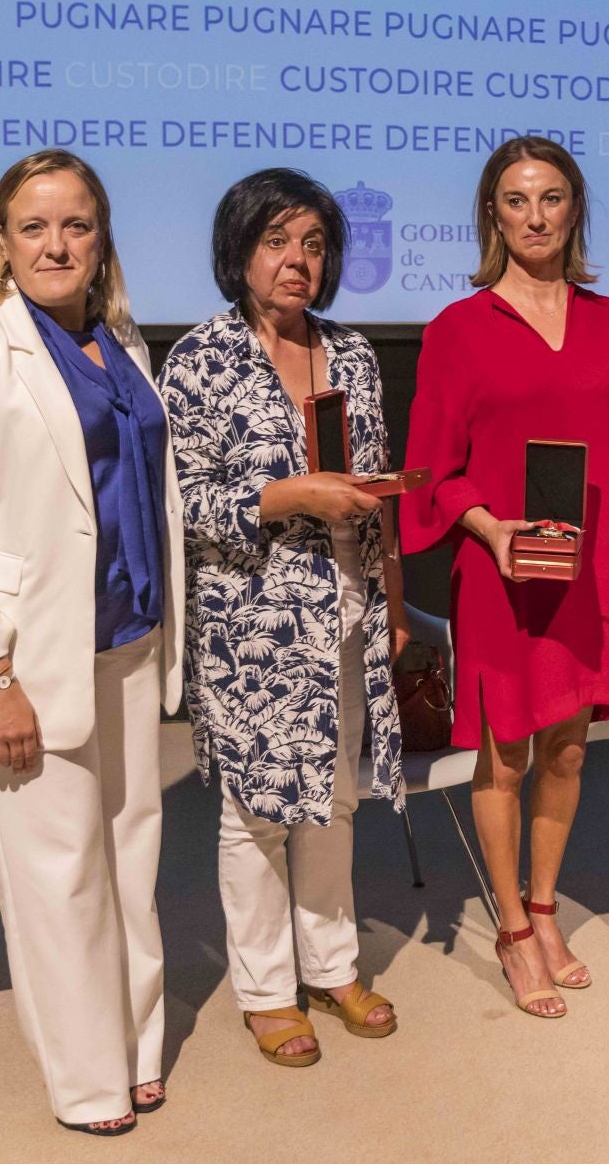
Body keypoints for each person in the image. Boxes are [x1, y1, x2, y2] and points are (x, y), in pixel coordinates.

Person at [0, 149, 183, 1134]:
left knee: (126, 858)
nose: (56, 244)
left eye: (76, 225)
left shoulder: (122, 342)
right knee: (55, 877)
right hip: (26, 659)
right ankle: (86, 1080)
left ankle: (135, 1042)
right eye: (34, 226)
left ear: (101, 239)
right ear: (0, 241)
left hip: (127, 642)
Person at [160, 168, 404, 1065]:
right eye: (276, 242)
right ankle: (266, 988)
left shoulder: (353, 352)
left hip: (348, 609)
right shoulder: (198, 359)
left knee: (336, 799)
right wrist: (283, 495)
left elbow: (376, 489)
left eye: (312, 244)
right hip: (248, 624)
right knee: (256, 813)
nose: (297, 262)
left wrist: (395, 601)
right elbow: (181, 506)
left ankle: (332, 965)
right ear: (240, 252)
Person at [402, 137, 609, 1019]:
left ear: (573, 209)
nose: (535, 216)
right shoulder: (457, 330)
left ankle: (546, 908)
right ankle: (509, 929)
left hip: (588, 572)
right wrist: (489, 528)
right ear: (491, 214)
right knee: (504, 756)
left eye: (550, 199)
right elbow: (432, 467)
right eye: (516, 200)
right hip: (500, 569)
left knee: (572, 750)